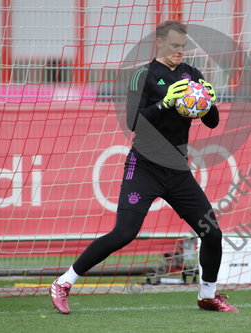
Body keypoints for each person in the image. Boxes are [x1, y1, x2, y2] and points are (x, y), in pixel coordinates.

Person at [50, 20, 239, 314]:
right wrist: (167, 102)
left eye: (183, 46)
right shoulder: (144, 74)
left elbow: (212, 122)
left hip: (177, 169)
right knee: (124, 232)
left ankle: (208, 296)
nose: (180, 51)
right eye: (175, 46)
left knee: (211, 232)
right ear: (160, 43)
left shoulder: (191, 74)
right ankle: (63, 282)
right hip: (144, 167)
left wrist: (210, 103)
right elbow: (133, 121)